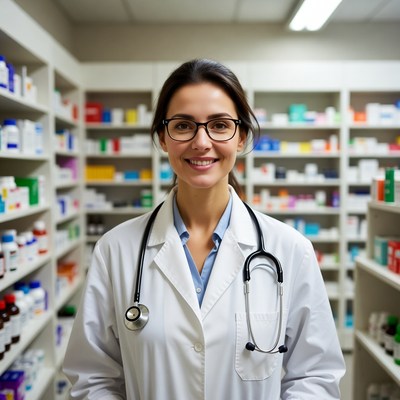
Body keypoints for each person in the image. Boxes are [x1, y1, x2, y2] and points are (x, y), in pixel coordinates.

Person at [63, 58, 346, 399]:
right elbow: (93, 377)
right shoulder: (117, 249)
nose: (201, 142)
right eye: (183, 126)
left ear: (241, 136)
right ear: (163, 138)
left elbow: (315, 376)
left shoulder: (289, 249)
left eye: (220, 125)